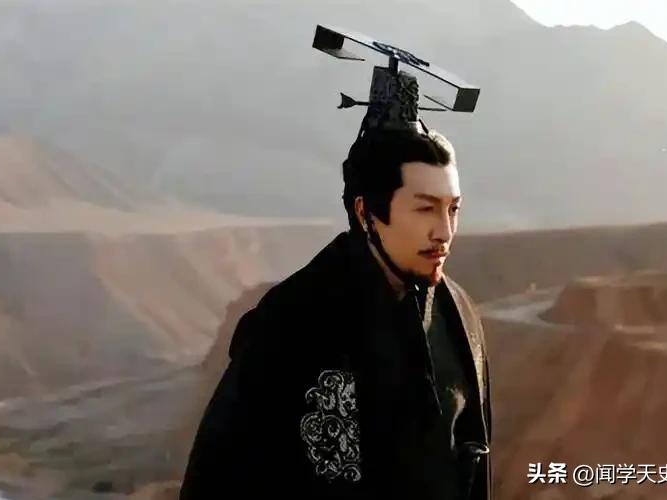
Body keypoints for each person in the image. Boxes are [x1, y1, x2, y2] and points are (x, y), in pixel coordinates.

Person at [180, 59, 492, 500]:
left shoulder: (459, 316)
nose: (444, 231)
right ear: (366, 212)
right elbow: (218, 479)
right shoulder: (290, 324)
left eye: (453, 209)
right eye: (425, 209)